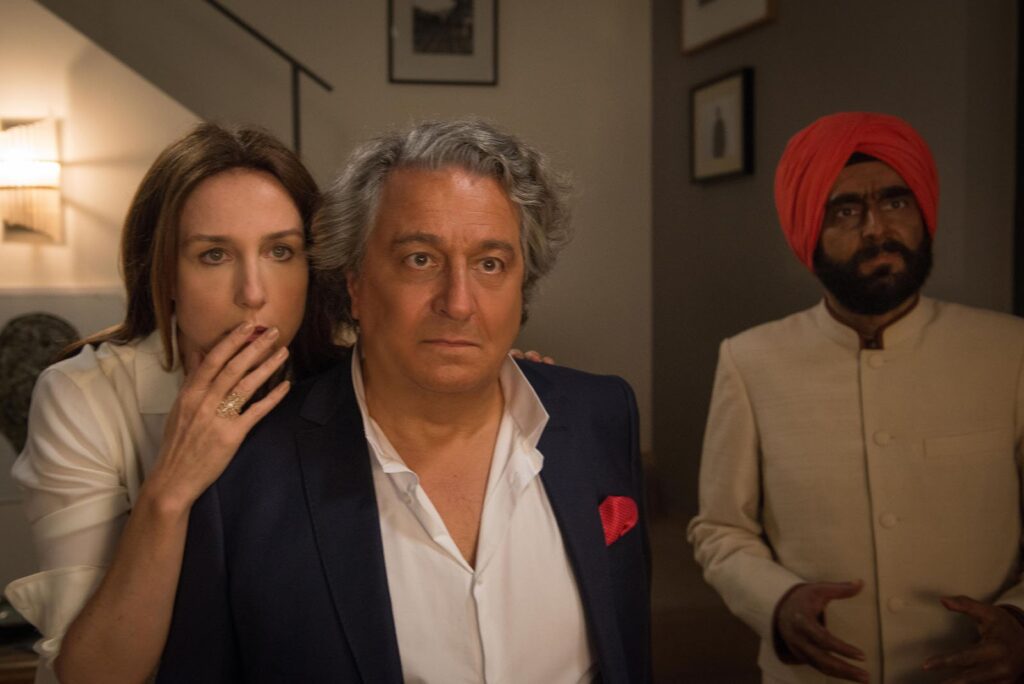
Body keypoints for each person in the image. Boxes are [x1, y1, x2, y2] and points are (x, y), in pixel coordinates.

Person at [157, 119, 651, 683]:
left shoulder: (602, 416)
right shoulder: (246, 472)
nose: (458, 303)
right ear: (355, 285)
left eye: (490, 264)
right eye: (420, 259)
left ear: (522, 287)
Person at [688, 112, 1024, 683]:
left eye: (896, 202)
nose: (876, 229)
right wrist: (777, 602)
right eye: (845, 211)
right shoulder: (750, 361)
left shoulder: (1008, 352)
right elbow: (721, 529)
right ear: (807, 230)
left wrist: (1019, 619)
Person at [3, 123, 341, 684]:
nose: (253, 293)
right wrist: (171, 488)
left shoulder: (353, 383)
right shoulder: (83, 395)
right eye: (214, 255)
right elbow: (95, 675)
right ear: (164, 272)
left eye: (281, 251)